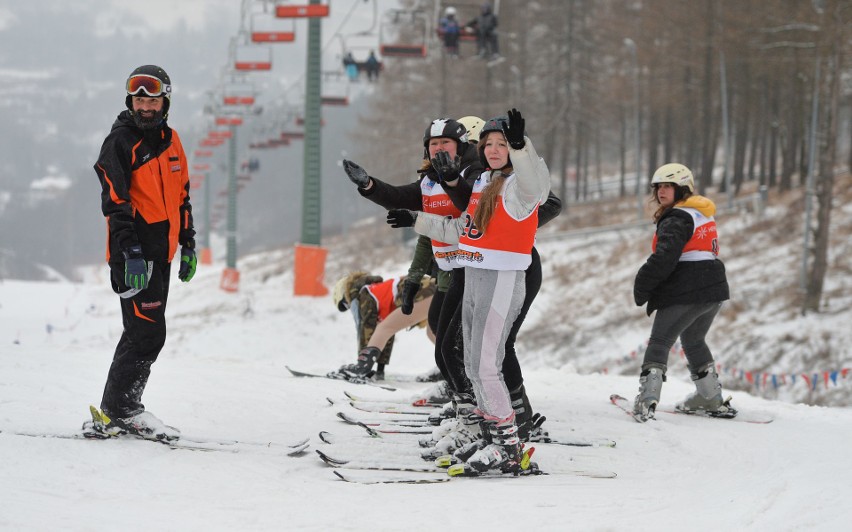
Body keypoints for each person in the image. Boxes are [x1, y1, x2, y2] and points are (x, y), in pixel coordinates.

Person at [386, 109, 551, 474]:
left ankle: (508, 445)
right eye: (488, 144)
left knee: (486, 364)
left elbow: (536, 183)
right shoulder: (483, 184)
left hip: (503, 278)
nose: (494, 149)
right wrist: (415, 220)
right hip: (475, 274)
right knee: (473, 361)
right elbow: (462, 229)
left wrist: (521, 145)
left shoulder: (522, 188)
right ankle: (490, 431)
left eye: (501, 144)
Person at [92, 65, 196, 441]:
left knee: (142, 332)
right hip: (133, 259)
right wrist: (131, 251)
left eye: (153, 99)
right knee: (146, 334)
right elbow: (115, 203)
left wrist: (188, 243)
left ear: (164, 101)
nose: (146, 107)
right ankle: (122, 409)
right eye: (140, 99)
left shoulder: (172, 140)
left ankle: (116, 408)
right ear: (130, 101)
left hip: (162, 255)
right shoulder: (120, 143)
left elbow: (182, 195)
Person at [632, 163, 733, 421]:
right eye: (659, 187)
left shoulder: (677, 217)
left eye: (669, 186)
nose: (662, 192)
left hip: (688, 287)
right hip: (713, 288)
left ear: (682, 188)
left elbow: (666, 256)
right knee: (694, 340)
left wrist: (643, 283)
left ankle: (646, 402)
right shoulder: (700, 212)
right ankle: (710, 397)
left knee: (660, 342)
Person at [329, 271, 436, 381]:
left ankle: (361, 368)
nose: (349, 307)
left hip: (422, 292)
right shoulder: (377, 290)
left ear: (346, 293)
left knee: (383, 328)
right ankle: (450, 367)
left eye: (346, 304)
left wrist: (361, 364)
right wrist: (380, 369)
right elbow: (384, 336)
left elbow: (367, 329)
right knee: (433, 333)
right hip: (438, 291)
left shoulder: (366, 293)